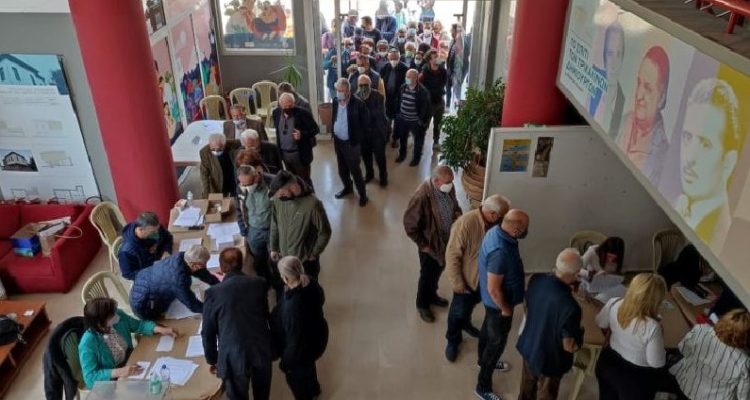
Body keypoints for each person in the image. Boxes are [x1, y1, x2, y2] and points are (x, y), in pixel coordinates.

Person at [673, 78, 744, 248]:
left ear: (728, 161)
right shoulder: (684, 208)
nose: (690, 157)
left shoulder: (721, 236)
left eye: (705, 144)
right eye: (687, 137)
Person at [444, 195, 510, 362]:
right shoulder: (465, 223)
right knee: (457, 312)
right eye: (502, 216)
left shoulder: (496, 224)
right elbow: (452, 256)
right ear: (493, 214)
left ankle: (466, 323)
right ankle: (453, 339)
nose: (503, 219)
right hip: (467, 281)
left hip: (484, 281)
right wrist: (458, 284)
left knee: (470, 306)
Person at [202, 248, 272, 400]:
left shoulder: (213, 293)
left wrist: (212, 359)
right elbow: (265, 314)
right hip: (261, 349)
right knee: (262, 394)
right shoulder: (259, 283)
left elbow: (208, 332)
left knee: (237, 396)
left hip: (233, 356)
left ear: (221, 267)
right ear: (241, 264)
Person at [474, 209, 529, 399]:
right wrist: (506, 309)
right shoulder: (500, 252)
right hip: (499, 305)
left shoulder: (496, 231)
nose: (527, 230)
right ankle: (483, 387)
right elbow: (494, 289)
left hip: (491, 304)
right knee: (496, 344)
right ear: (516, 229)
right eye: (525, 227)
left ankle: (482, 361)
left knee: (487, 331)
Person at [516, 249, 584, 400]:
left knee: (526, 388)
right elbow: (569, 346)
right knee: (546, 394)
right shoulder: (571, 307)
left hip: (529, 345)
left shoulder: (535, 279)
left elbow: (527, 307)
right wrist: (581, 332)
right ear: (575, 275)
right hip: (550, 360)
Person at [403, 166, 462, 323]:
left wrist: (457, 213)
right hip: (430, 245)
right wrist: (424, 245)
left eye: (451, 181)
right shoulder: (421, 196)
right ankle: (422, 304)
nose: (451, 185)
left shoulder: (448, 187)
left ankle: (432, 295)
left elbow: (455, 204)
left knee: (437, 271)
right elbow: (410, 225)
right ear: (436, 181)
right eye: (447, 182)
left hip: (445, 241)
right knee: (427, 275)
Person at [594, 273, 667, 400]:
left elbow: (600, 322)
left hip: (609, 363)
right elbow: (655, 363)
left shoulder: (614, 302)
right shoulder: (653, 327)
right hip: (635, 378)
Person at [78, 297, 178, 389]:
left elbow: (139, 325)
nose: (116, 316)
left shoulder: (117, 315)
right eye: (111, 316)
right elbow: (90, 378)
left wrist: (159, 329)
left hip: (131, 359)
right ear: (99, 324)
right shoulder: (87, 344)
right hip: (113, 379)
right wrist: (120, 372)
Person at [272, 256, 328, 400]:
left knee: (298, 382)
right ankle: (315, 389)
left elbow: (294, 341)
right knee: (309, 367)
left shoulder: (292, 307)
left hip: (301, 350)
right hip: (315, 337)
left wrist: (286, 363)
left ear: (285, 278)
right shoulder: (310, 281)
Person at [668, 309, 750, 399]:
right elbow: (743, 396)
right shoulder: (744, 361)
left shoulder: (700, 329)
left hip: (685, 384)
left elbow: (683, 350)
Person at [616, 45, 670, 182]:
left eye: (647, 88)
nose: (639, 95)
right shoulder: (624, 120)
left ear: (661, 97)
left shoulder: (663, 155)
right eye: (639, 83)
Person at [269, 171, 332, 280]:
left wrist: (314, 254)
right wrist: (274, 248)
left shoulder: (313, 204)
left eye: (282, 194)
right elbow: (274, 224)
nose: (279, 197)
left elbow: (325, 232)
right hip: (285, 258)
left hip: (305, 261)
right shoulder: (277, 199)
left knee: (309, 286)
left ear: (293, 187)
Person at [129, 245, 219, 320]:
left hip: (145, 282)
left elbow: (203, 273)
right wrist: (215, 309)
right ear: (193, 264)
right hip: (146, 306)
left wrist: (221, 286)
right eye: (203, 264)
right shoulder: (178, 279)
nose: (205, 266)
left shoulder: (183, 257)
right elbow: (193, 304)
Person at [331, 78, 369, 207]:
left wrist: (358, 138)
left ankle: (363, 195)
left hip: (351, 143)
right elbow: (334, 117)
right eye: (337, 90)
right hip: (338, 141)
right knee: (342, 170)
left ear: (348, 91)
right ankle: (348, 188)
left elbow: (365, 123)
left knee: (355, 171)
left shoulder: (358, 104)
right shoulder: (335, 101)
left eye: (341, 90)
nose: (339, 93)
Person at [272, 92, 320, 188]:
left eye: (290, 106)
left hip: (300, 154)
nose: (288, 108)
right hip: (285, 154)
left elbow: (315, 129)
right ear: (280, 105)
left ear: (294, 103)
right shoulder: (276, 113)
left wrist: (302, 135)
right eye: (285, 106)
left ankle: (310, 196)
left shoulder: (303, 113)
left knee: (305, 181)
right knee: (291, 180)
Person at [235, 164, 273, 284]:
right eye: (243, 184)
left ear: (256, 176)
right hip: (253, 231)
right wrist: (244, 230)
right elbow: (239, 210)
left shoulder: (271, 183)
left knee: (276, 259)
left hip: (273, 230)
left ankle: (278, 284)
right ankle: (265, 282)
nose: (246, 187)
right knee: (259, 261)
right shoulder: (241, 187)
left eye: (249, 184)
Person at [589, 21, 626, 137]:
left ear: (622, 58)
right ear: (604, 57)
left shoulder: (624, 103)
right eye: (610, 53)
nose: (614, 64)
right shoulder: (593, 82)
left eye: (618, 54)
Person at [118, 211, 174, 280]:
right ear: (140, 229)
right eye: (152, 232)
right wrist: (152, 268)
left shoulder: (154, 228)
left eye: (157, 229)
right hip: (149, 275)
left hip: (162, 263)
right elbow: (128, 274)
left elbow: (168, 237)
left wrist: (166, 251)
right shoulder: (126, 252)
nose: (157, 233)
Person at [356, 74, 389, 187]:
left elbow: (379, 114)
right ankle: (369, 174)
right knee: (366, 156)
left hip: (377, 132)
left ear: (370, 85)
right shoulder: (356, 97)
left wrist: (364, 107)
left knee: (380, 157)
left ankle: (383, 177)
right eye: (360, 85)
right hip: (363, 134)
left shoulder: (379, 96)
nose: (363, 87)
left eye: (365, 85)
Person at [394, 68, 431, 165]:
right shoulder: (403, 87)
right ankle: (402, 155)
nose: (407, 79)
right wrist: (398, 114)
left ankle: (416, 159)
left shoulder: (422, 91)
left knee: (418, 141)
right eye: (406, 76)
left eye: (409, 77)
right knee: (403, 139)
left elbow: (425, 108)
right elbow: (398, 100)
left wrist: (421, 121)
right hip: (403, 119)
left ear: (415, 78)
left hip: (415, 121)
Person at [419, 49, 448, 150]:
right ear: (430, 60)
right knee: (425, 123)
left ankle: (436, 142)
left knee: (438, 124)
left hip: (439, 100)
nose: (437, 58)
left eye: (437, 56)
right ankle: (420, 142)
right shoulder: (424, 71)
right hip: (429, 103)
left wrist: (438, 91)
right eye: (435, 57)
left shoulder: (442, 70)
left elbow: (444, 82)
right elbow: (421, 86)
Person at [381, 48, 408, 147]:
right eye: (391, 58)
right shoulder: (385, 67)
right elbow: (381, 80)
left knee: (398, 120)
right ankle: (387, 136)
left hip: (399, 99)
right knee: (387, 119)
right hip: (387, 98)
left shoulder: (405, 68)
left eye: (395, 58)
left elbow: (407, 84)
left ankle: (395, 139)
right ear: (388, 58)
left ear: (399, 58)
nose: (393, 60)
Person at [200, 133, 241, 198]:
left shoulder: (233, 144)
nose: (216, 151)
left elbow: (241, 144)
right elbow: (204, 175)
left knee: (236, 198)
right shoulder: (205, 152)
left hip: (232, 177)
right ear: (209, 145)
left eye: (219, 149)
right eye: (213, 149)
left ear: (224, 145)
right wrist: (206, 195)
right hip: (219, 180)